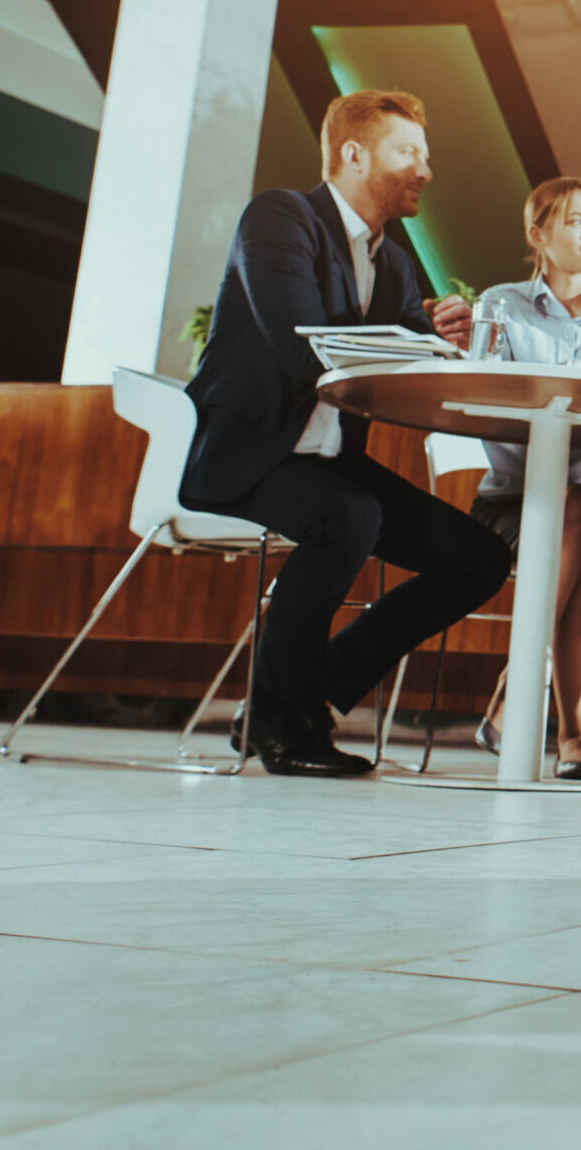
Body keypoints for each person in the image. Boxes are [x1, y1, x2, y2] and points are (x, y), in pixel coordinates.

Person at [180, 89, 510, 777]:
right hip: (250, 455)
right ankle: (280, 721)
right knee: (347, 516)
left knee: (477, 558)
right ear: (354, 154)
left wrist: (436, 340)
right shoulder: (280, 217)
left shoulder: (391, 259)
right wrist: (412, 338)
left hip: (326, 465)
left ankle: (315, 690)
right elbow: (307, 346)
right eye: (408, 153)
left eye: (425, 154)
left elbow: (399, 356)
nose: (426, 169)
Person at [463, 177, 581, 781]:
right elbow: (481, 393)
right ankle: (574, 733)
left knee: (579, 506)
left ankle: (515, 691)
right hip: (509, 502)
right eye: (576, 221)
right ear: (538, 234)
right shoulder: (500, 303)